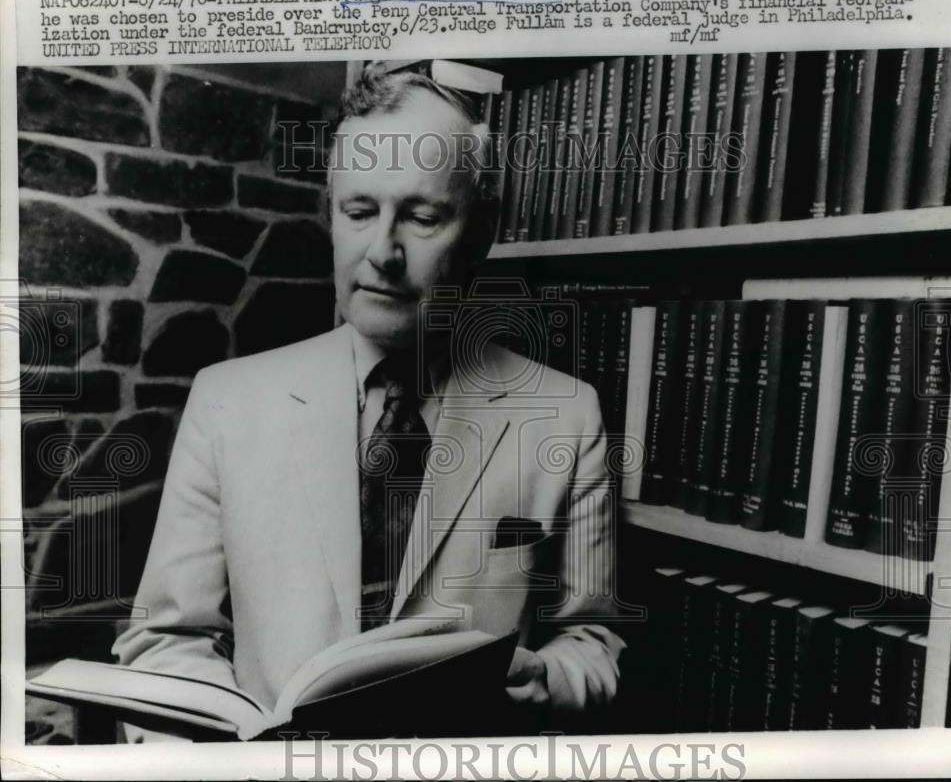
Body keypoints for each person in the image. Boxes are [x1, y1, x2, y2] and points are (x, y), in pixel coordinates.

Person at [112, 64, 625, 730]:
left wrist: (545, 679)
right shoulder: (226, 401)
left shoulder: (567, 414)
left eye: (421, 215)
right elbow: (163, 641)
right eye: (359, 211)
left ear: (480, 236)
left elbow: (593, 641)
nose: (382, 252)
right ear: (332, 219)